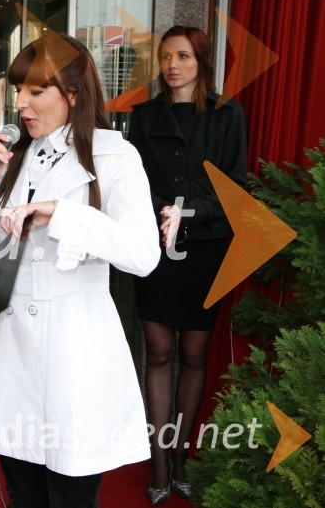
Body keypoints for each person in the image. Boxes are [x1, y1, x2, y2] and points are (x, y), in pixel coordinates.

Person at [0, 33, 160, 507]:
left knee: (71, 497)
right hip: (11, 347)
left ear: (74, 94)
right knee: (23, 494)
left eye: (35, 91)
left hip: (75, 352)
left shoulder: (114, 156)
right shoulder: (16, 155)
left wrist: (63, 215)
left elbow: (144, 254)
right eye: (19, 89)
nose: (21, 102)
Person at [127, 25, 247, 505]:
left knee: (194, 354)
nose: (172, 65)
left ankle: (180, 459)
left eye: (183, 56)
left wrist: (188, 211)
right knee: (158, 352)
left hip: (205, 246)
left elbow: (233, 184)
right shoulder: (143, 115)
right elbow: (133, 180)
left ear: (201, 62)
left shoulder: (227, 113)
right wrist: (161, 214)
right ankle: (158, 462)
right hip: (155, 245)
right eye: (165, 57)